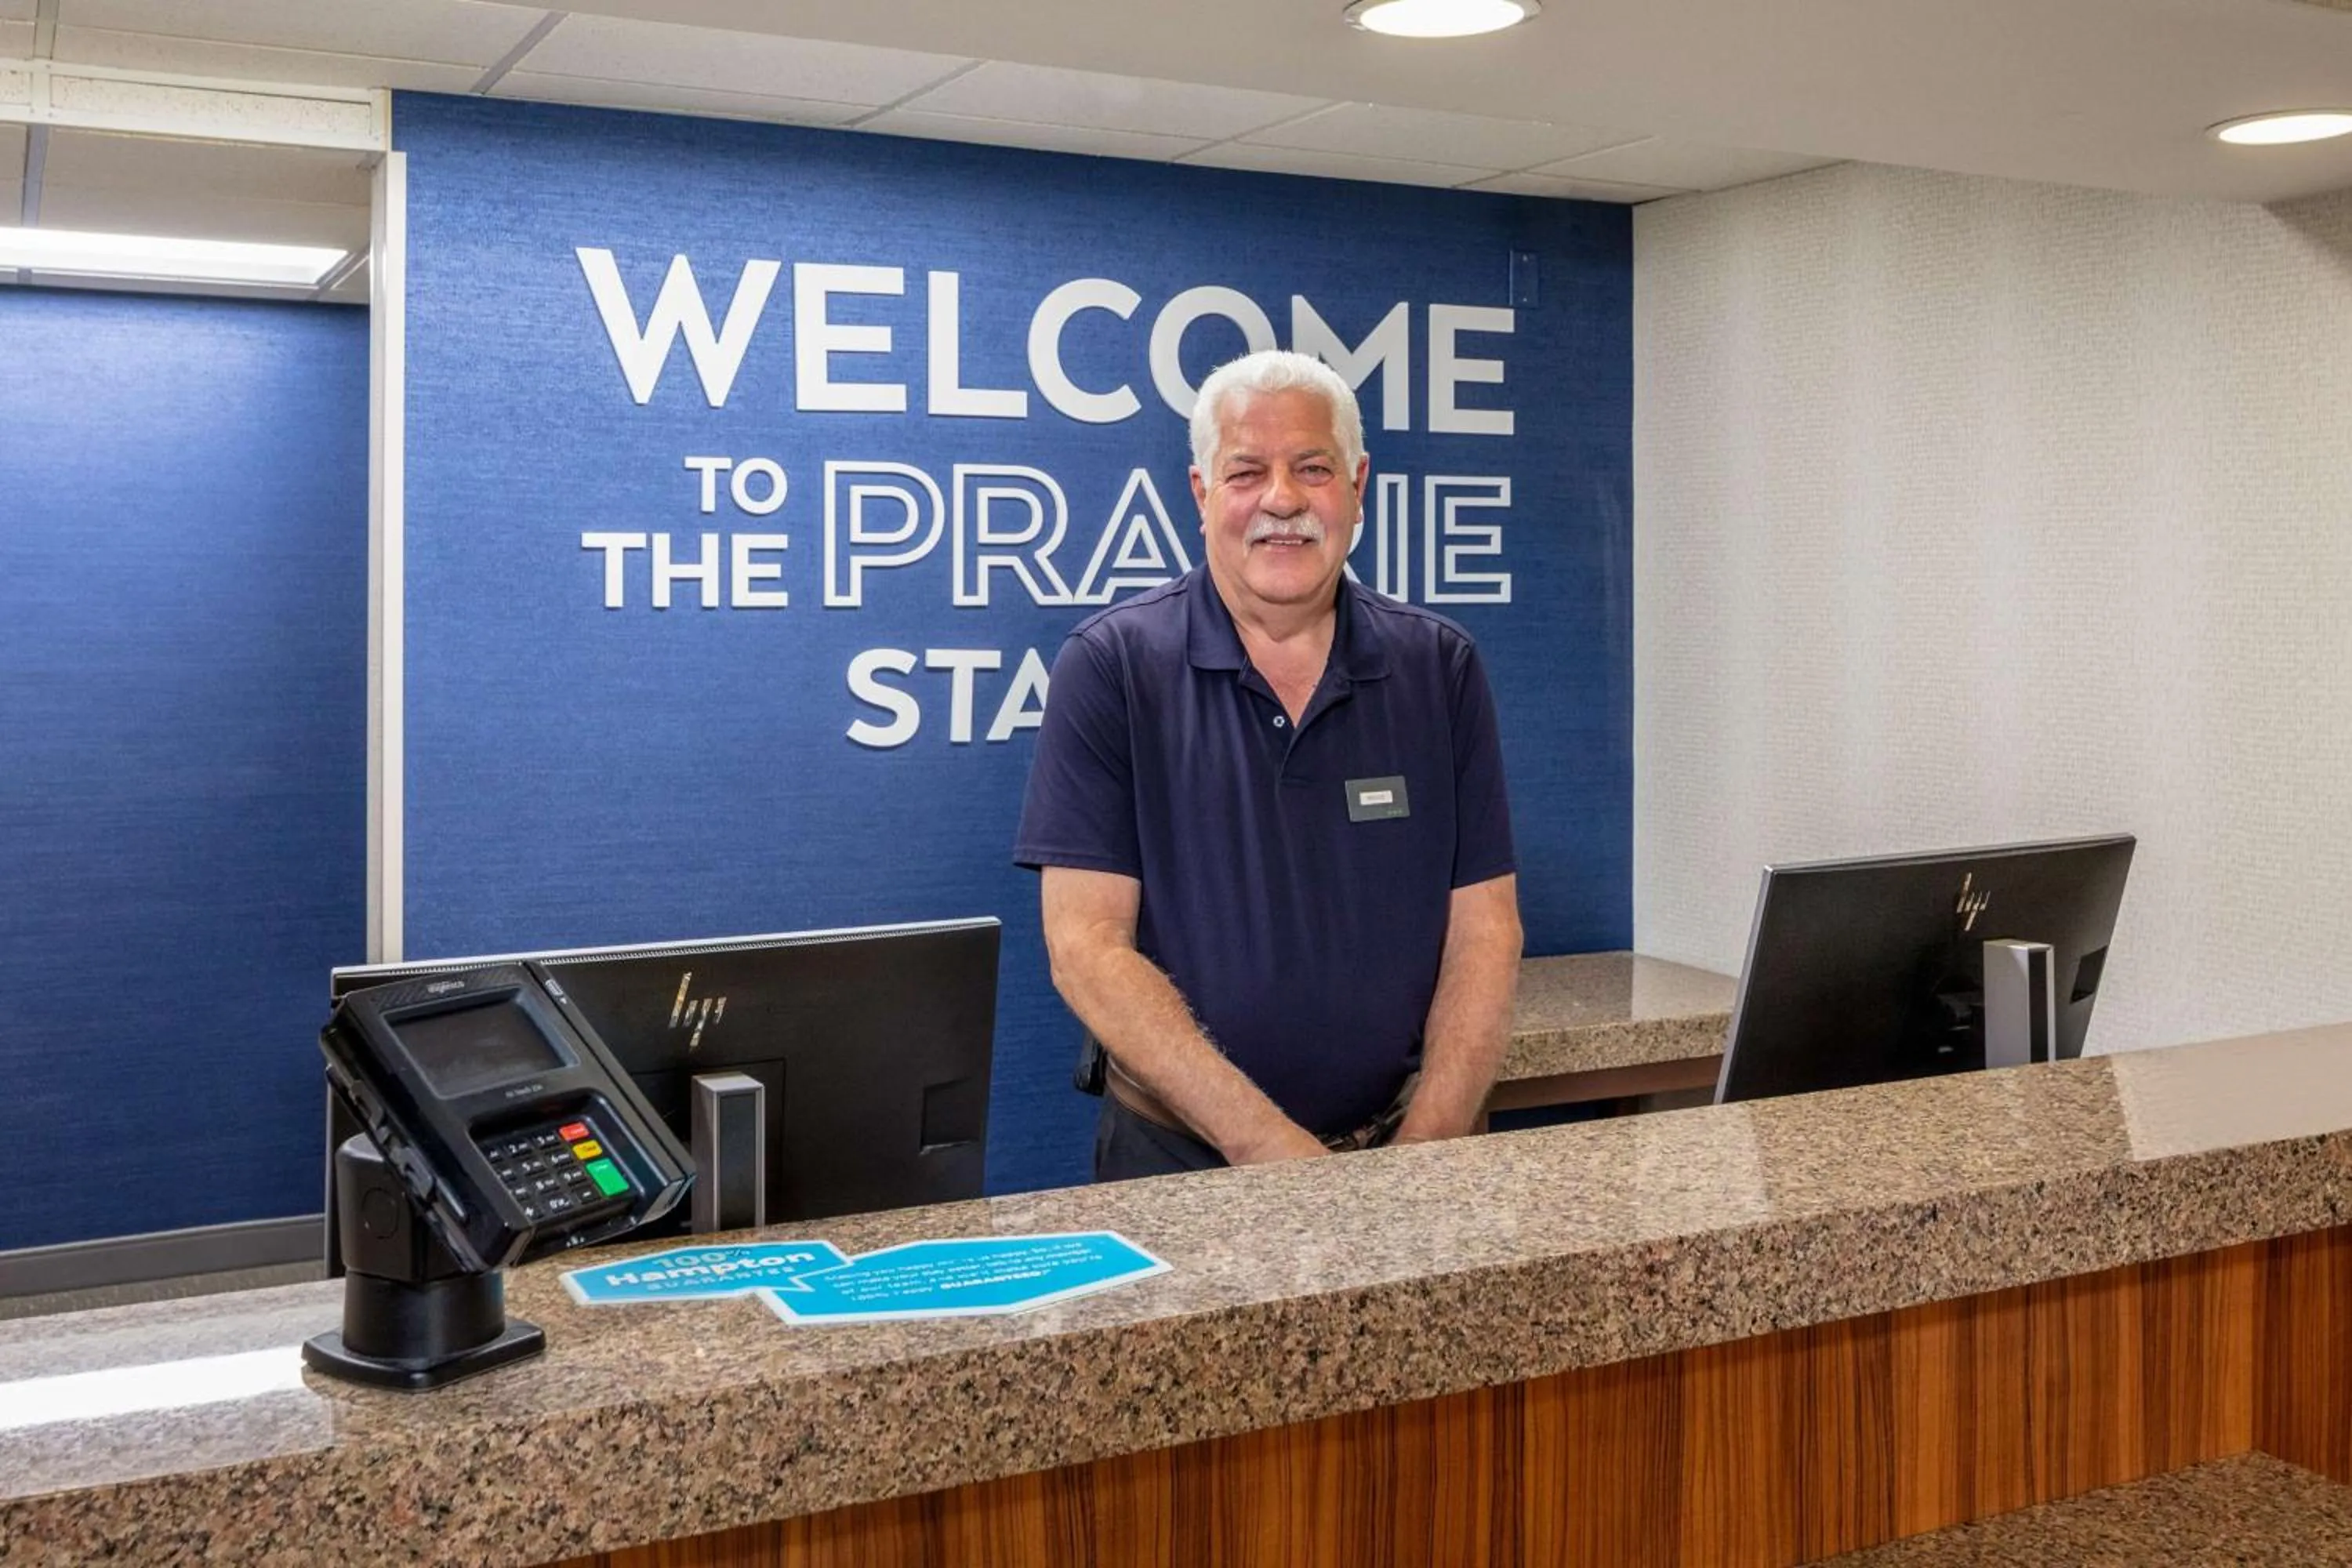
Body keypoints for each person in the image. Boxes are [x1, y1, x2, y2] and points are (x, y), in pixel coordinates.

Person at [1014, 348, 1523, 1181]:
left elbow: (1486, 929)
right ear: (1201, 492)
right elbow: (1085, 944)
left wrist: (1428, 1152)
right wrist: (1269, 1147)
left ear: (1358, 486)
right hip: (1175, 1165)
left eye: (1312, 468)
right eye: (1247, 470)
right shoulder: (1111, 665)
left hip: (1403, 1154)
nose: (1282, 500)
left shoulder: (1441, 667)